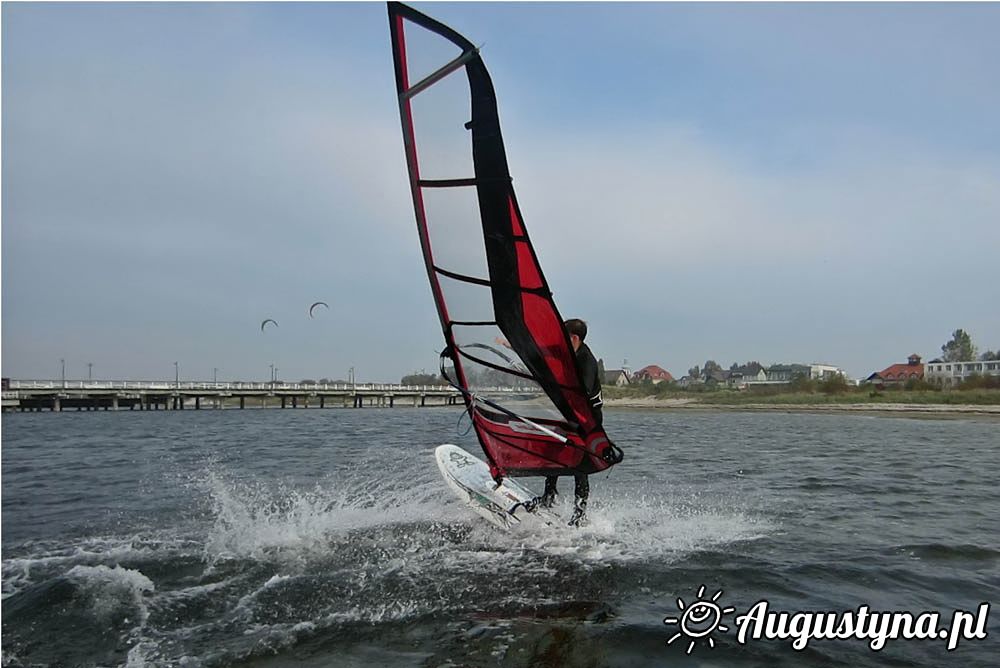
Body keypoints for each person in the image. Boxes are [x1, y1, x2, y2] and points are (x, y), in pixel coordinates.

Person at [534, 318, 603, 526]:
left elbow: (587, 390)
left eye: (563, 337)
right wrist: (513, 343)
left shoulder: (586, 360)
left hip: (588, 419)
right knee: (554, 450)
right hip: (571, 415)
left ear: (574, 338)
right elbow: (545, 351)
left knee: (580, 465)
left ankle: (580, 513)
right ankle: (549, 497)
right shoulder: (570, 351)